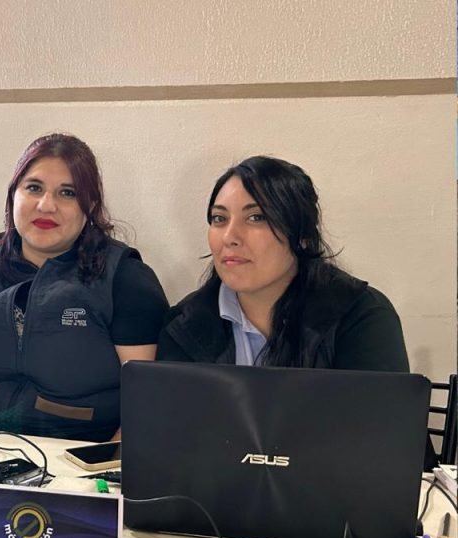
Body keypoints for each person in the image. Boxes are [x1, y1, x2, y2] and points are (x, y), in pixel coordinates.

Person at [157, 156, 436, 469]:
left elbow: (385, 447)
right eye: (219, 219)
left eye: (256, 218)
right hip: (213, 495)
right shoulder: (184, 325)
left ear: (302, 235)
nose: (230, 237)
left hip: (333, 492)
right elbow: (172, 445)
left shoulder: (361, 315)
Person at [0, 133, 168, 442]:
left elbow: (147, 402)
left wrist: (103, 468)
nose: (46, 205)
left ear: (90, 205)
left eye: (68, 193)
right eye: (34, 188)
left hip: (84, 461)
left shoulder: (126, 279)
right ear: (13, 195)